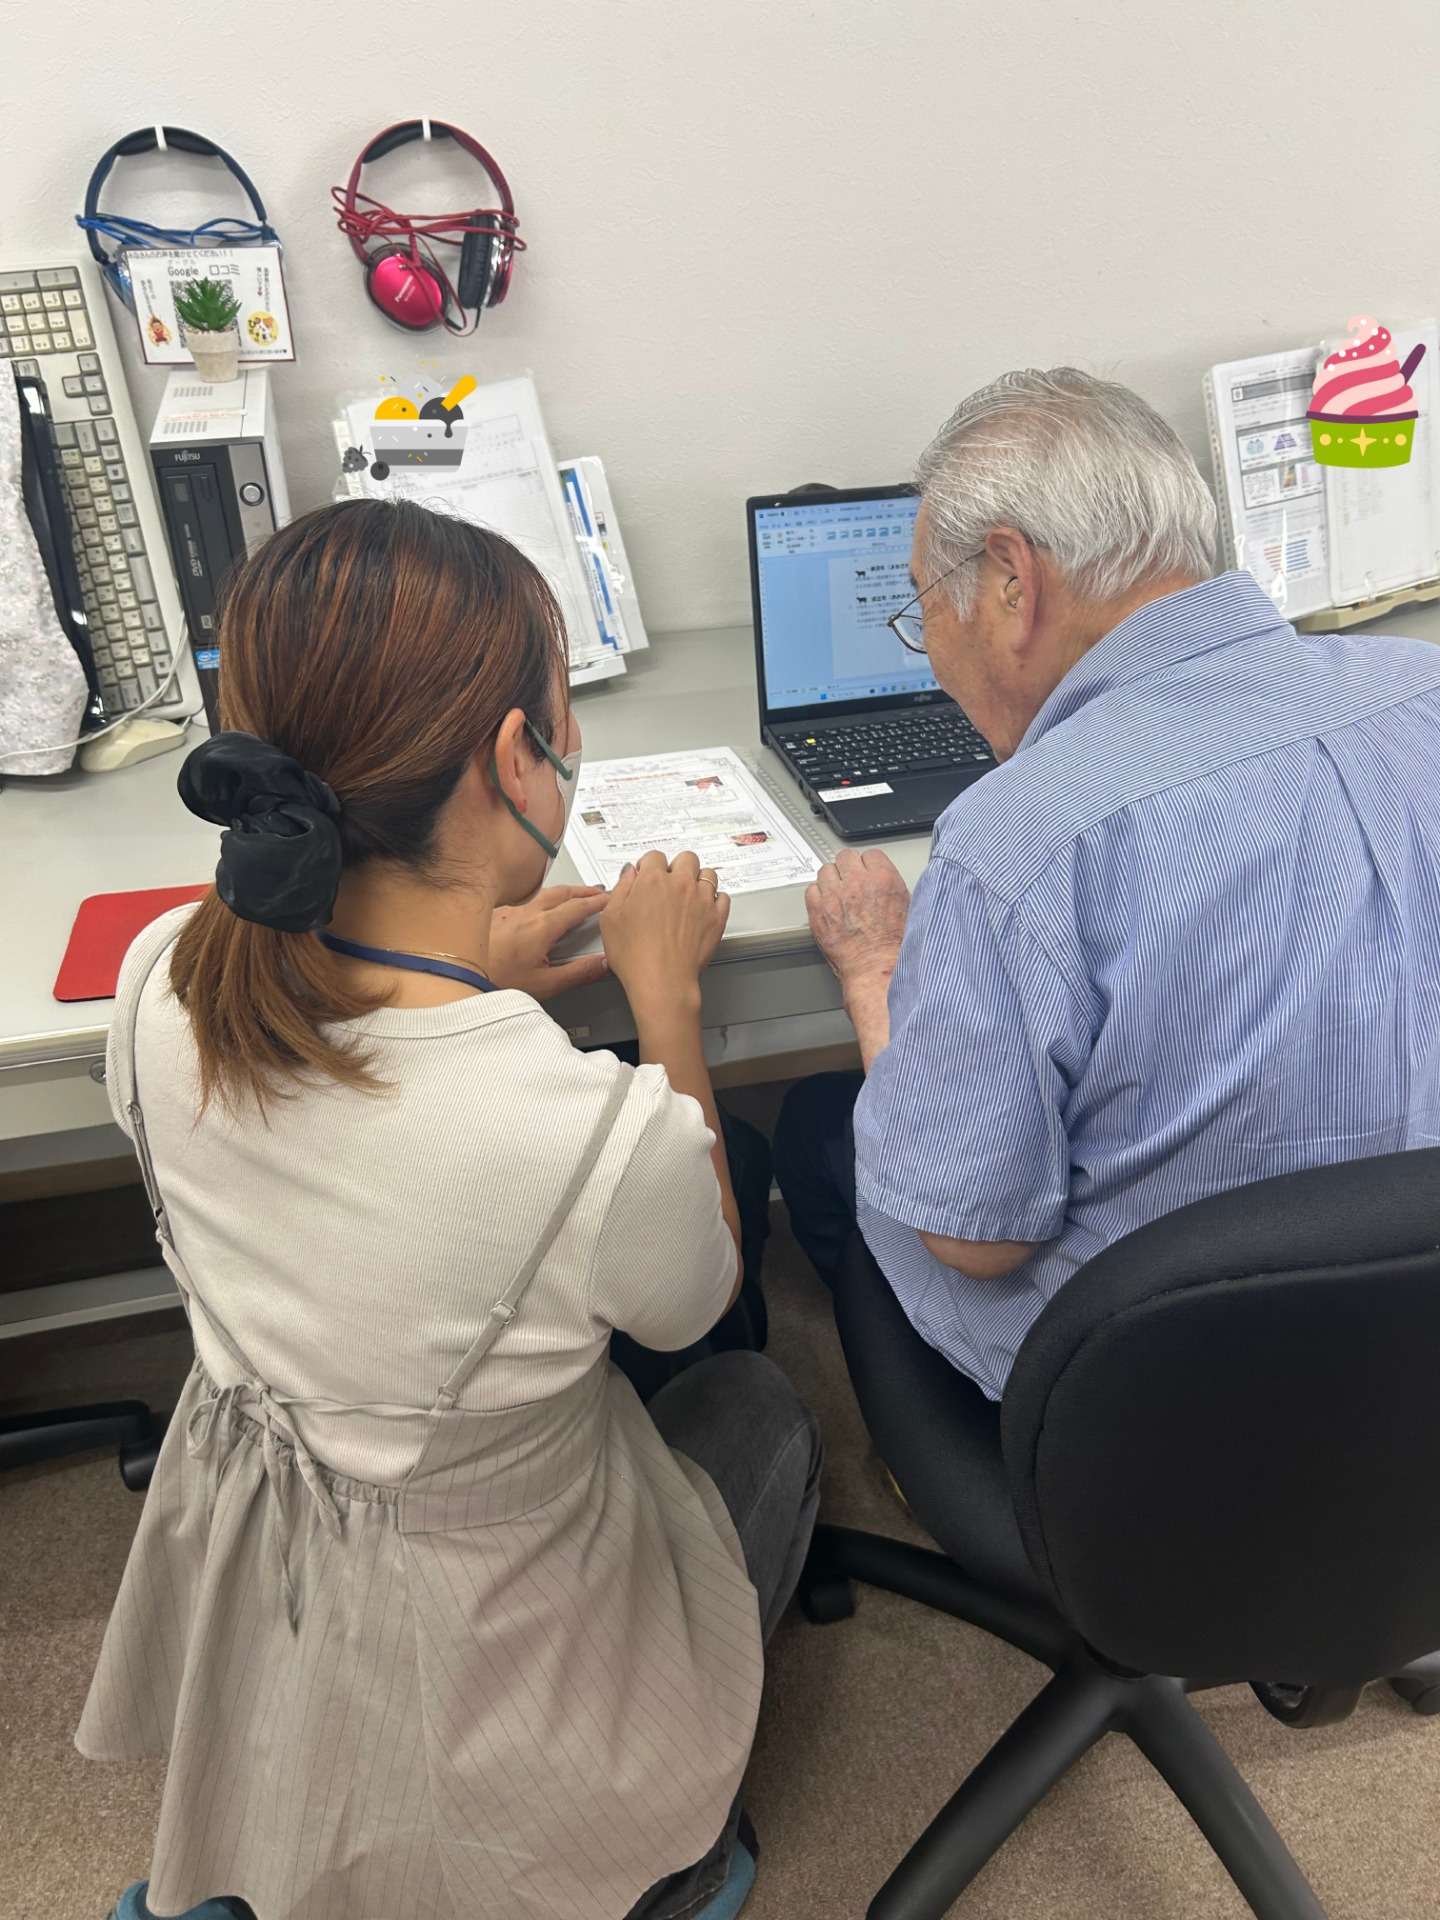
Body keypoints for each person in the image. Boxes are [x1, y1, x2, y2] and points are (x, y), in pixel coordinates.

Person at [78, 500, 821, 1920]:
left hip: (274, 1555)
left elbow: (359, 1081)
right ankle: (636, 1839)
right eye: (559, 717)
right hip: (494, 1630)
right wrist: (663, 1003)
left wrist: (468, 961)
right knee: (759, 1415)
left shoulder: (165, 970)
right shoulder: (576, 1134)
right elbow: (699, 1291)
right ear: (509, 759)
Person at [775, 366, 1440, 1560]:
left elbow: (976, 1236)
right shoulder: (1428, 693)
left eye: (925, 605)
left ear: (1013, 583)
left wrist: (877, 973)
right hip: (1411, 1384)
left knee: (829, 1135)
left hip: (1155, 1425)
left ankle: (942, 1477)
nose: (928, 652)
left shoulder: (1020, 839)